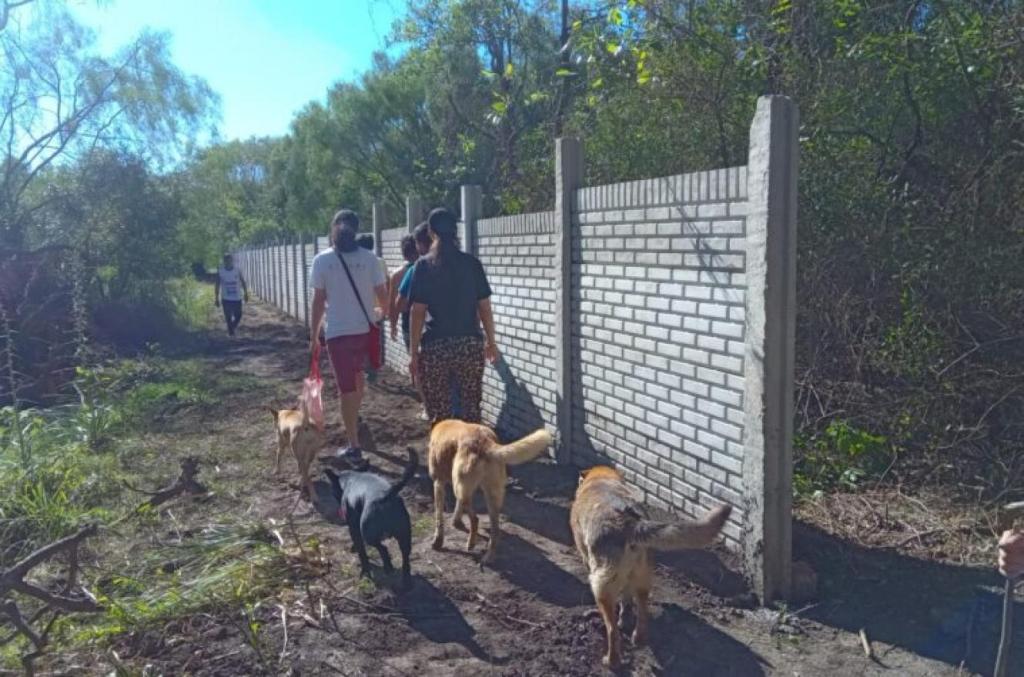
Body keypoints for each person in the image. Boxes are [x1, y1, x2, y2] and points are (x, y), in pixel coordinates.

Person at [309, 210, 387, 467]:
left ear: (333, 228)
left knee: (346, 390)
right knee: (357, 379)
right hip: (364, 332)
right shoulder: (370, 259)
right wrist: (383, 315)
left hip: (338, 336)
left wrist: (314, 335)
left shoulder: (322, 261)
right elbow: (383, 295)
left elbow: (318, 302)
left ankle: (353, 444)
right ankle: (355, 419)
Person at [407, 208, 498, 424]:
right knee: (471, 409)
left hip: (436, 347)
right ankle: (472, 455)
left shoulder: (423, 266)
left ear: (431, 232)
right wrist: (491, 342)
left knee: (440, 412)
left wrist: (413, 352)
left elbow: (417, 312)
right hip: (469, 345)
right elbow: (484, 307)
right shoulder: (471, 264)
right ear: (456, 231)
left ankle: (445, 455)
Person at [356, 234, 387, 384]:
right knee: (376, 340)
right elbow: (385, 283)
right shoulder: (380, 262)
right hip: (377, 309)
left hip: (361, 308)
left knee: (362, 339)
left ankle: (365, 366)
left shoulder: (357, 263)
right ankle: (374, 366)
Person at [214, 254, 248, 336]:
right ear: (224, 262)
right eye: (226, 260)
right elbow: (217, 284)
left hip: (237, 298)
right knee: (228, 316)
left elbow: (243, 282)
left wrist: (246, 293)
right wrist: (216, 298)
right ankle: (231, 333)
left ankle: (232, 327)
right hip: (226, 298)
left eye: (230, 260)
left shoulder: (237, 270)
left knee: (238, 315)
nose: (228, 262)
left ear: (232, 261)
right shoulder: (221, 271)